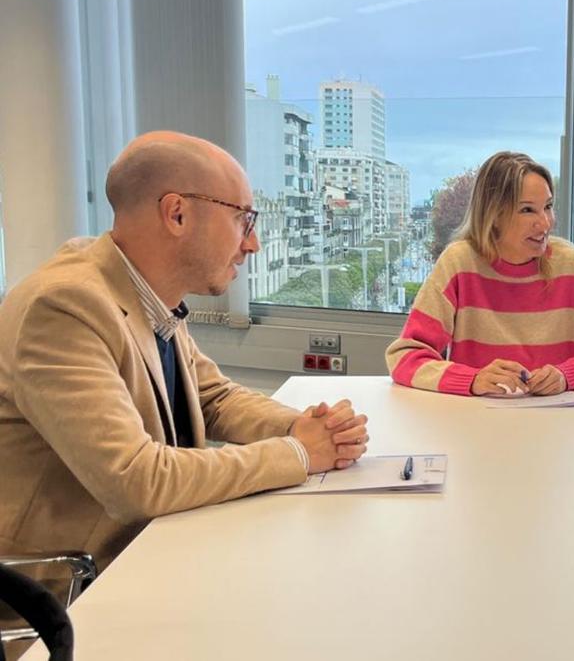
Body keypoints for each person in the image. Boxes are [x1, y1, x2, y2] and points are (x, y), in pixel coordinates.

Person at [0, 131, 371, 580]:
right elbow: (136, 480)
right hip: (72, 591)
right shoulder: (64, 306)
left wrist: (305, 426)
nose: (251, 244)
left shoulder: (143, 289)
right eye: (243, 220)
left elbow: (213, 396)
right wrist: (299, 453)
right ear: (177, 214)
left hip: (151, 550)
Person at [386, 151, 574, 396]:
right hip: (476, 423)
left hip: (561, 424)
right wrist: (472, 380)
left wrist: (567, 375)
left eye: (548, 207)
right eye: (527, 210)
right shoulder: (459, 263)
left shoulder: (572, 265)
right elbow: (404, 357)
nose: (546, 223)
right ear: (494, 215)